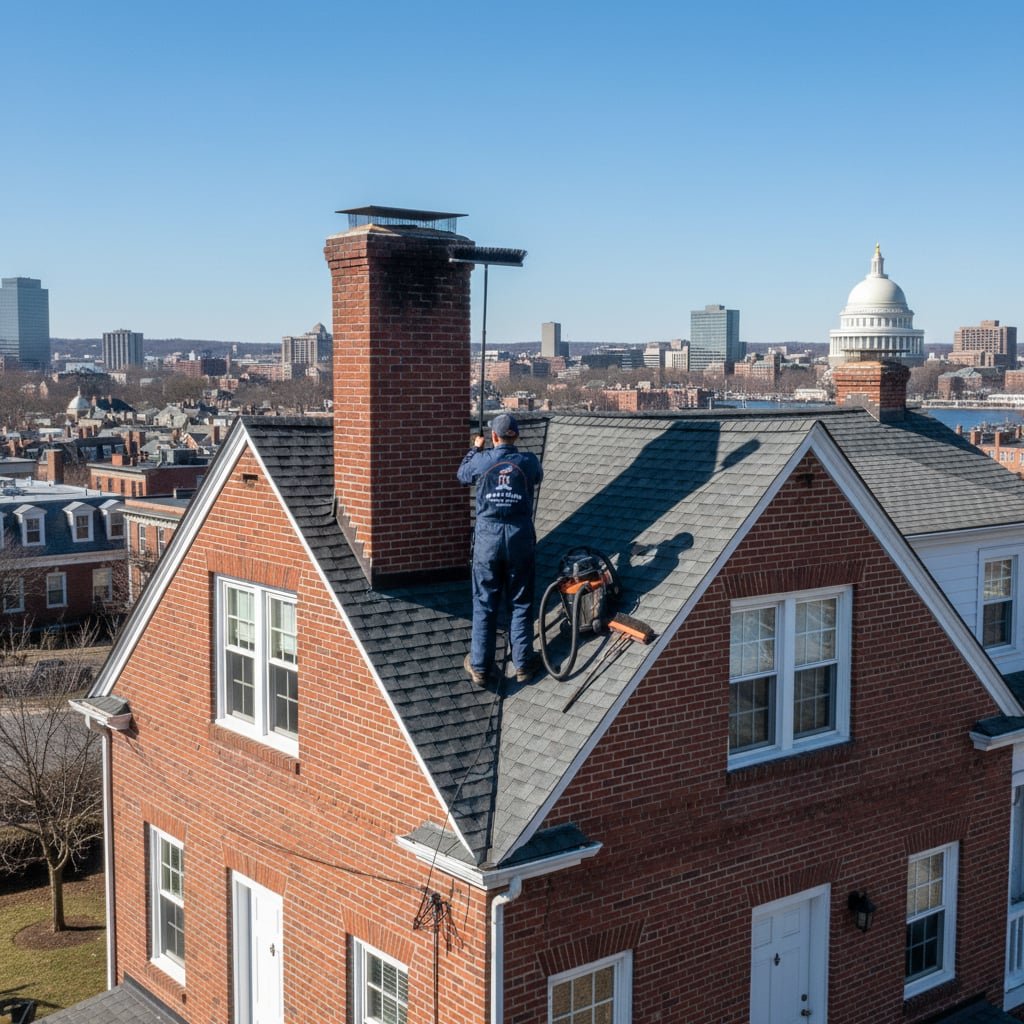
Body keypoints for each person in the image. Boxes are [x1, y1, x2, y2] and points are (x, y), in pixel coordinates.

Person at [457, 412, 544, 686]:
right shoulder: (528, 463)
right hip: (519, 539)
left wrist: (475, 449)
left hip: (488, 542)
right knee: (520, 601)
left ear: (494, 436)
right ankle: (523, 664)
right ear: (515, 436)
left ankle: (481, 665)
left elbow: (462, 475)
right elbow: (537, 476)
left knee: (484, 603)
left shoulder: (483, 461)